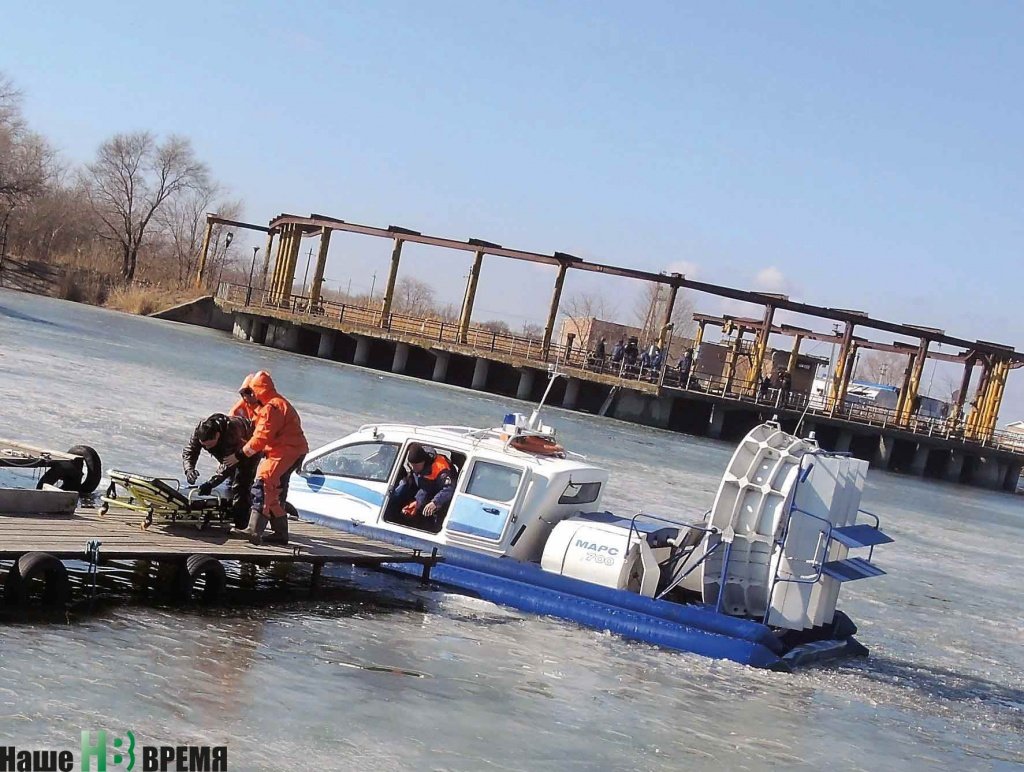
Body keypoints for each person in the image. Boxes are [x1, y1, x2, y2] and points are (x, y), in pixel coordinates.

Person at [226, 371, 309, 545]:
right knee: (272, 492)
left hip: (287, 451)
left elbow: (261, 438)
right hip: (287, 450)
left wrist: (239, 455)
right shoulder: (270, 404)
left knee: (263, 484)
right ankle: (280, 533)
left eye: (248, 393)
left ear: (256, 391)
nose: (246, 398)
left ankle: (254, 530)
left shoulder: (272, 408)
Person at [181, 413, 259, 528]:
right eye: (204, 446)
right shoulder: (200, 430)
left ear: (217, 435)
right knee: (229, 485)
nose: (207, 449)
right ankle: (231, 512)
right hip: (228, 451)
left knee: (241, 485)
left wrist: (210, 483)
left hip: (248, 448)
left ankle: (242, 525)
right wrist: (189, 469)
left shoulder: (231, 433)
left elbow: (228, 465)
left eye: (209, 445)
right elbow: (190, 451)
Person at [393, 442, 457, 530]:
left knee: (432, 520)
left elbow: (449, 489)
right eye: (411, 465)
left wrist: (435, 502)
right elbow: (425, 487)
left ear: (423, 461)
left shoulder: (440, 468)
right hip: (428, 489)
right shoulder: (417, 467)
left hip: (442, 495)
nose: (414, 468)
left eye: (416, 466)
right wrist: (417, 502)